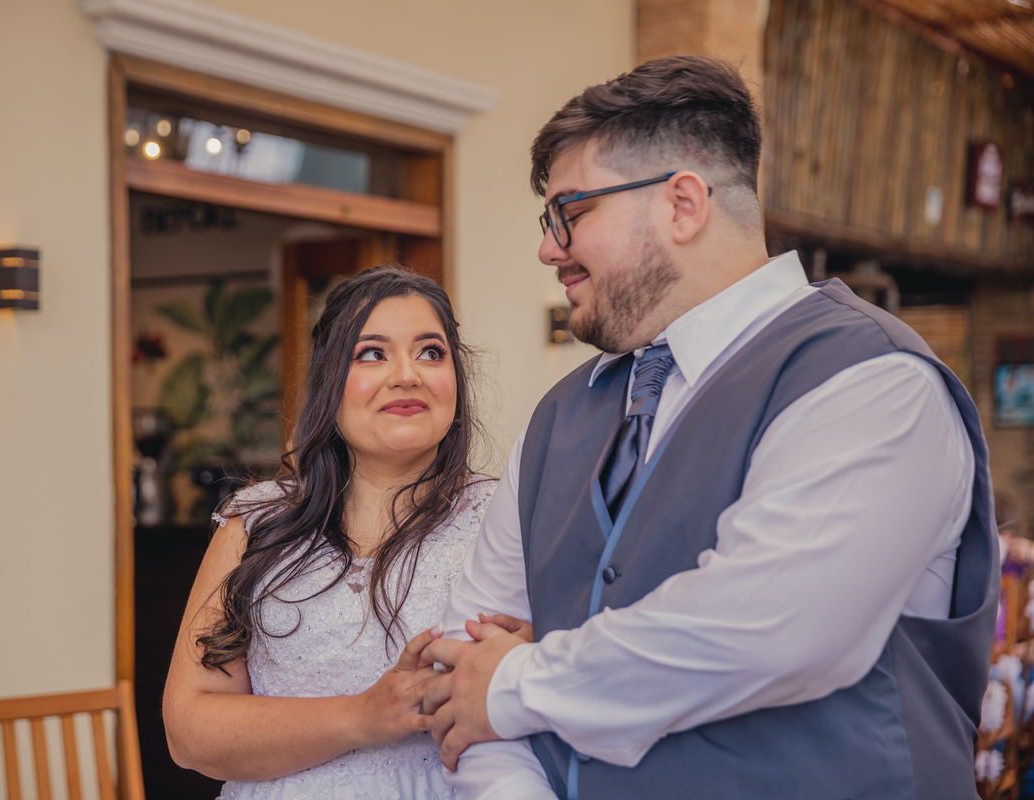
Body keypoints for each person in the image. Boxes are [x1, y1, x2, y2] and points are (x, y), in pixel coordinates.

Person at [419, 56, 997, 799]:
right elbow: (461, 669)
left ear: (683, 205)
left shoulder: (873, 380)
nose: (549, 248)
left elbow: (766, 629)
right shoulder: (558, 416)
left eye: (570, 212)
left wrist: (514, 684)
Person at [162, 266, 498, 799]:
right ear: (328, 380)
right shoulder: (257, 522)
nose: (407, 375)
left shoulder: (505, 518)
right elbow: (188, 732)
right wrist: (362, 717)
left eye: (431, 352)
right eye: (373, 353)